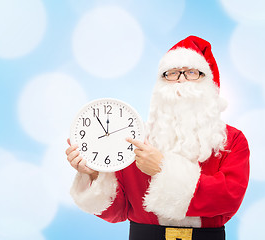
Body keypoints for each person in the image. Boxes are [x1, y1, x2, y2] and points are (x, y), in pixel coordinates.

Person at [65, 35, 250, 240]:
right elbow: (118, 211)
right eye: (171, 73)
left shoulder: (232, 140)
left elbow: (228, 199)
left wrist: (163, 168)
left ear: (209, 82)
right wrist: (94, 174)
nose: (181, 79)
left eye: (191, 72)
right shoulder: (135, 139)